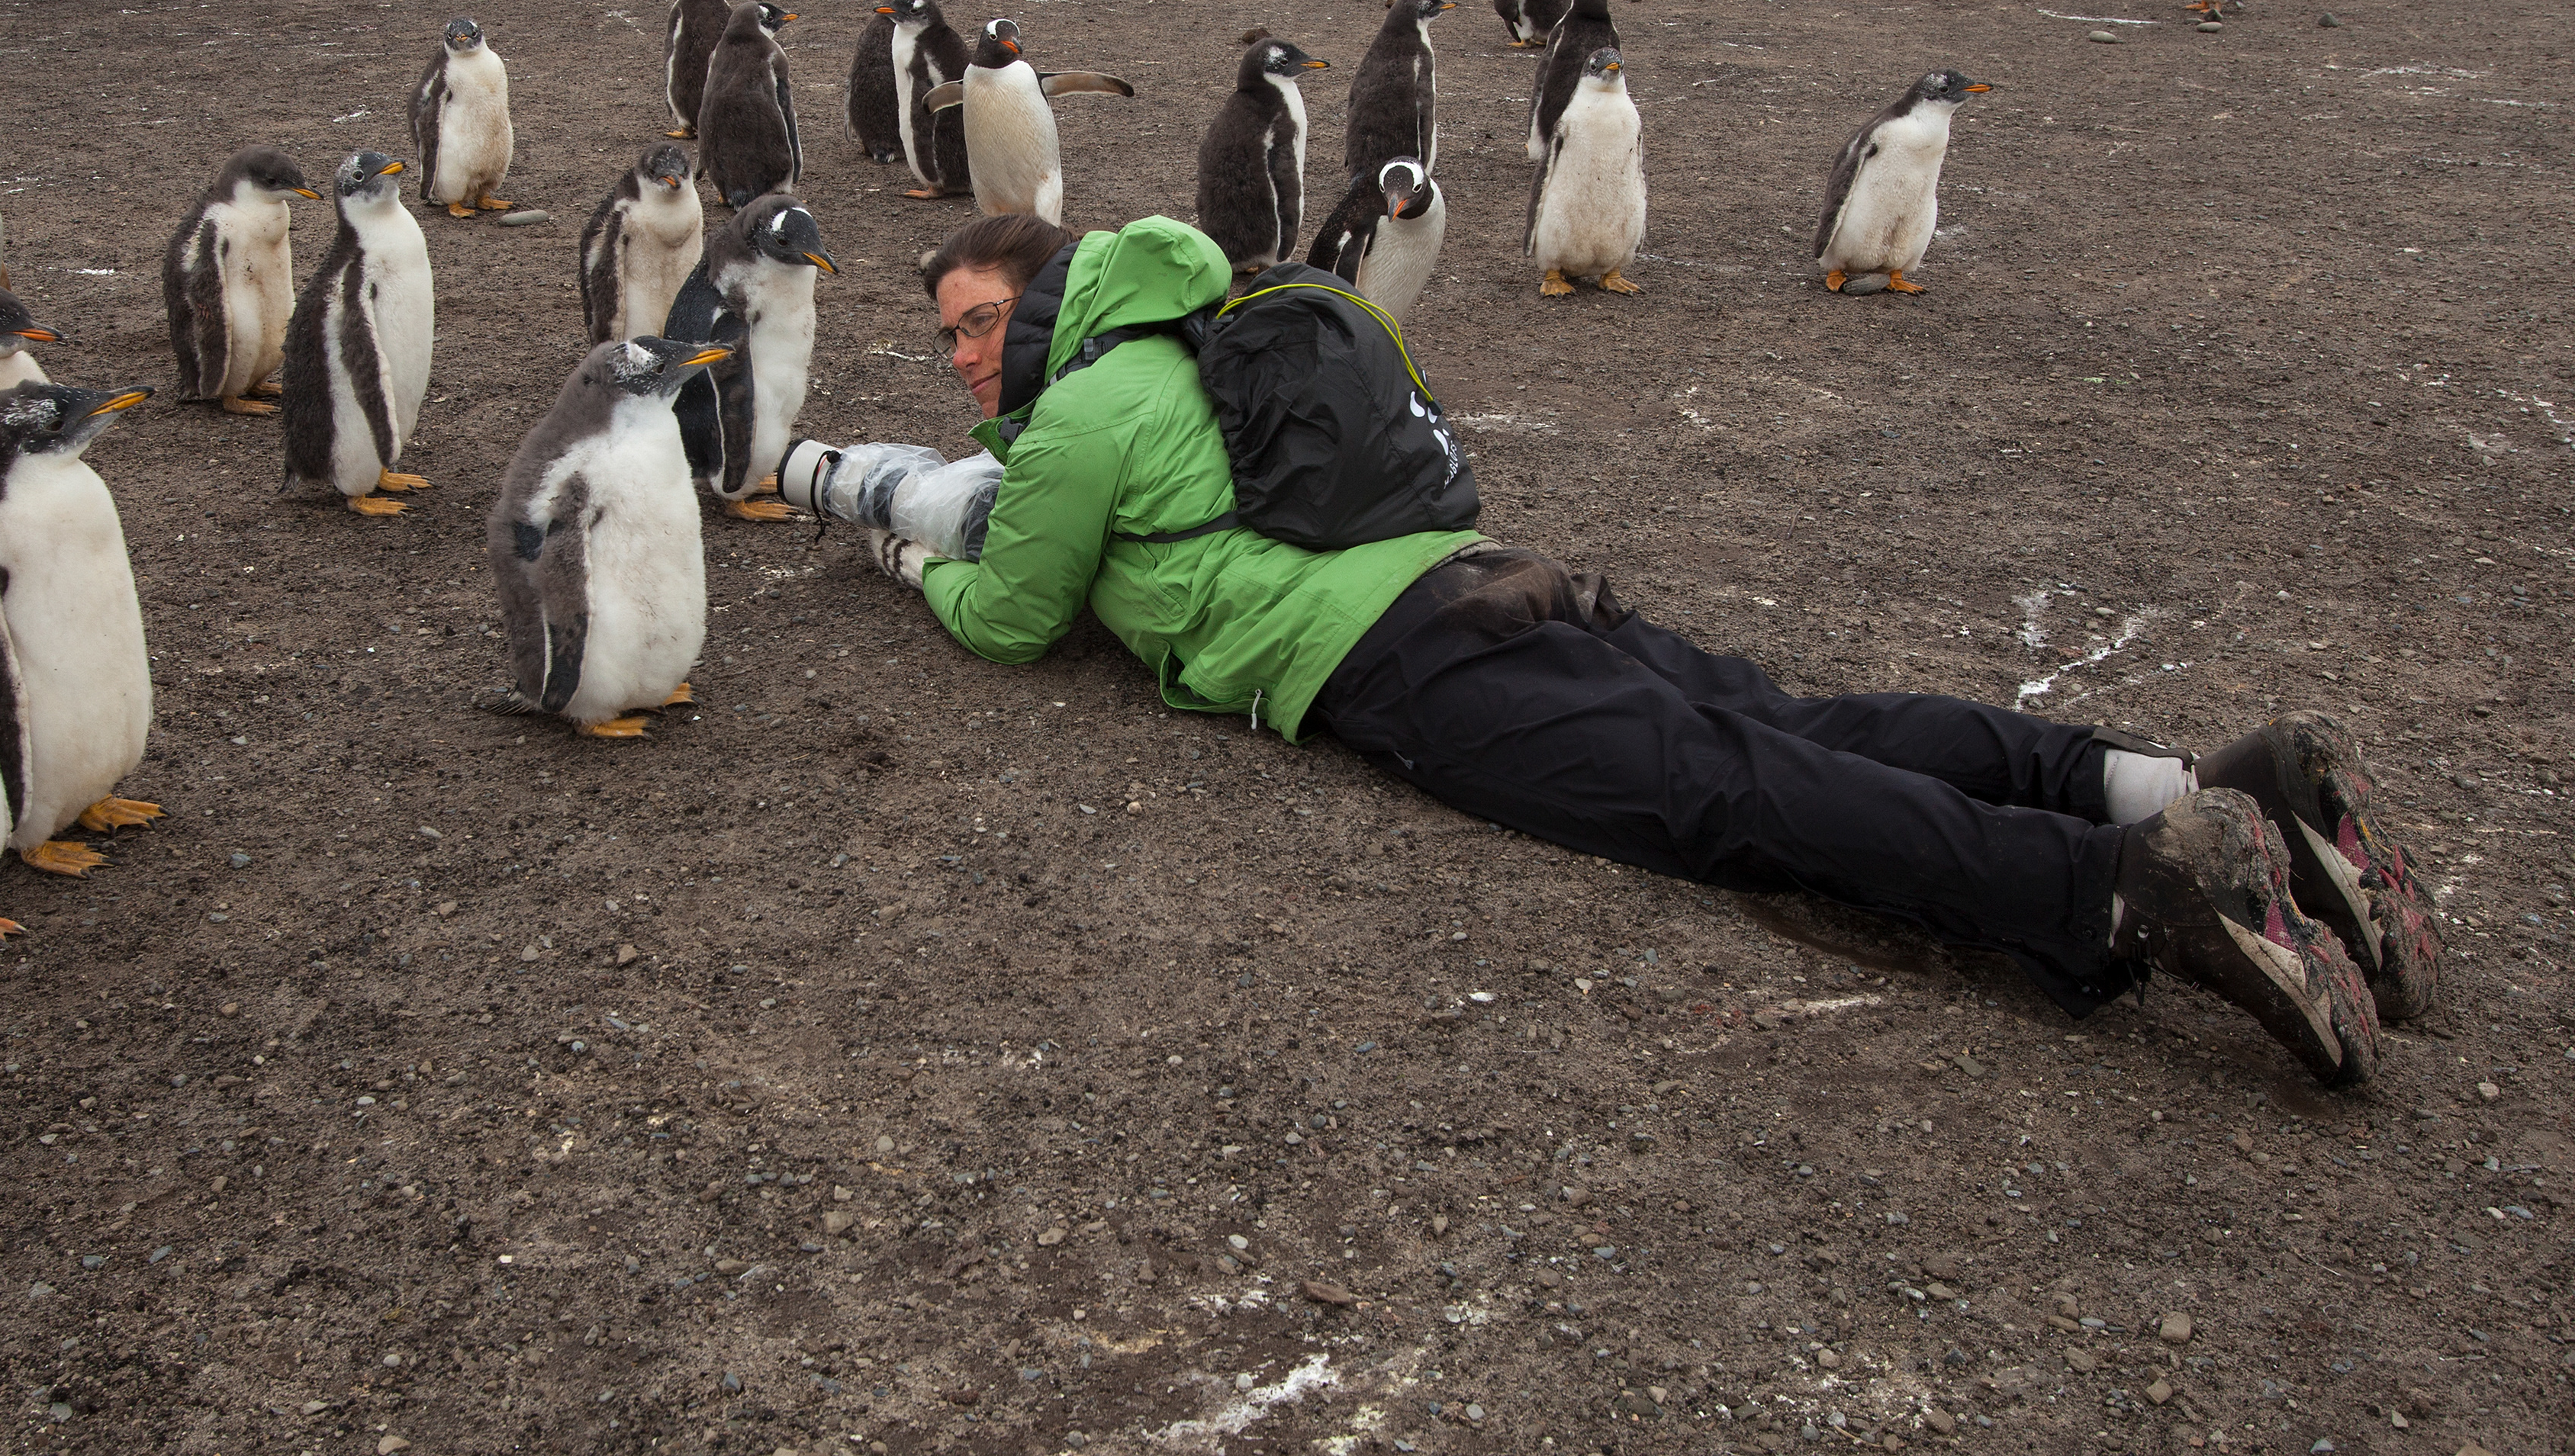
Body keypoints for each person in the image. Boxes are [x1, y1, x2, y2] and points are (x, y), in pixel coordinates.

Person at [855, 213, 2438, 1088]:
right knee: (1784, 723)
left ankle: (2113, 890)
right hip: (1490, 575)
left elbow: (1014, 614)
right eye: (948, 335)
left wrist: (900, 549)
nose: (966, 354)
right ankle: (2171, 782)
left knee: (1729, 792)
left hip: (1403, 662)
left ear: (1053, 303)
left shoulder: (1080, 408)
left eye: (979, 318)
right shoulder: (1206, 336)